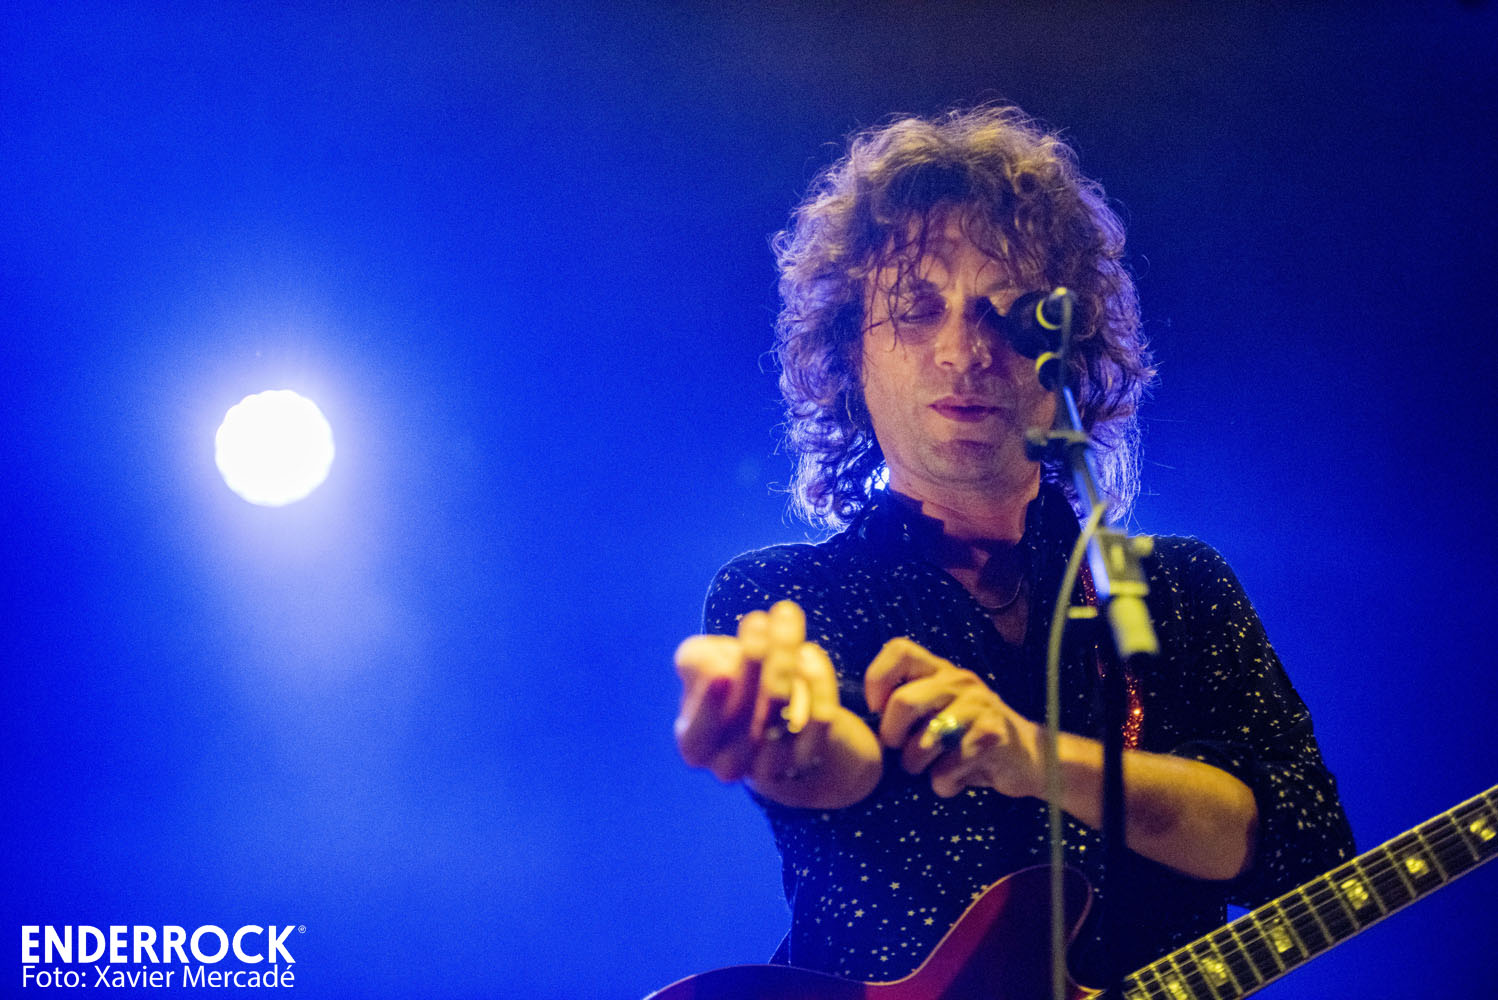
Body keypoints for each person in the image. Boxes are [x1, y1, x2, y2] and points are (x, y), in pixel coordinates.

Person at [672, 105, 1354, 986]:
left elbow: (1304, 845)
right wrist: (789, 733)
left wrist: (1036, 760)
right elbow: (838, 765)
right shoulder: (788, 593)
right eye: (917, 310)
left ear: (1071, 353)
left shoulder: (1180, 591)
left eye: (1010, 314)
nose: (965, 351)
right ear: (850, 356)